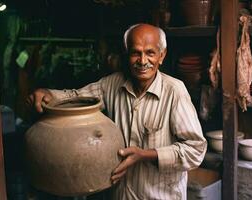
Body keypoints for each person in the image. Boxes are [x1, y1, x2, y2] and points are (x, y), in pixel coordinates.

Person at [27, 23, 207, 200]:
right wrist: (49, 94)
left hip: (158, 195)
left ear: (162, 56)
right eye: (136, 53)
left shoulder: (174, 91)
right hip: (120, 194)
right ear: (126, 54)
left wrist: (146, 155)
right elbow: (76, 96)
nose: (143, 61)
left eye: (150, 53)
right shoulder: (111, 84)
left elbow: (195, 150)